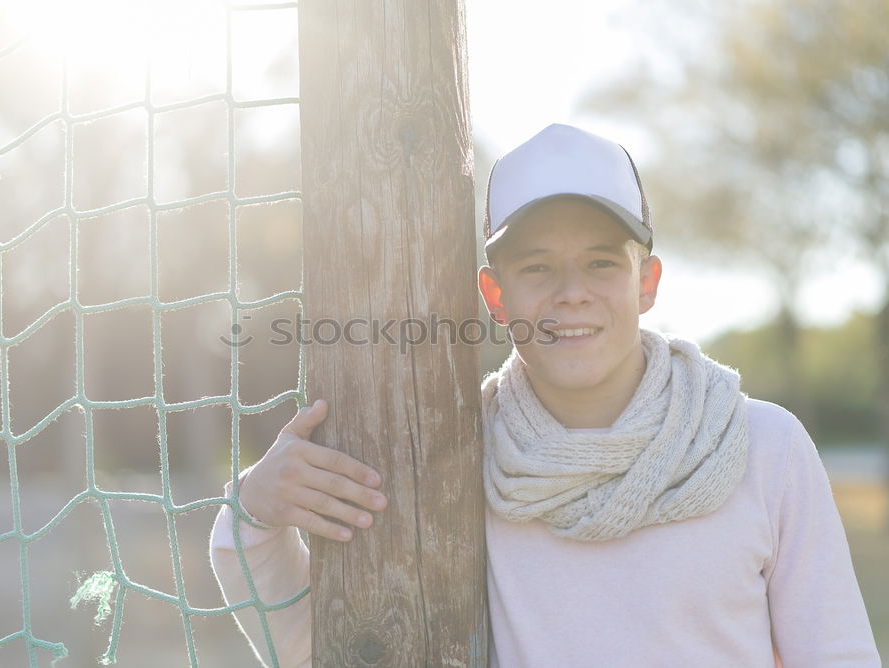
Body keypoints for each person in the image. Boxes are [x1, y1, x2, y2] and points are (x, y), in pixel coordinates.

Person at [210, 123, 881, 666]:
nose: (571, 293)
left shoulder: (765, 446)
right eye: (536, 267)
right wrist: (255, 512)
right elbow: (312, 646)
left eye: (600, 262)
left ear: (646, 282)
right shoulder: (456, 456)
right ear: (497, 296)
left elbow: (838, 654)